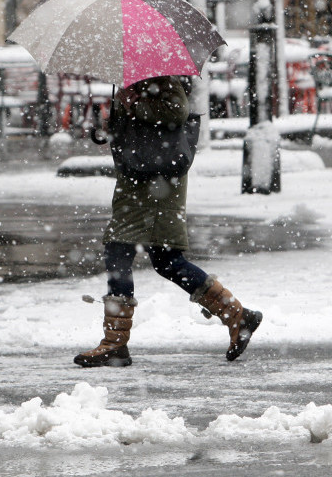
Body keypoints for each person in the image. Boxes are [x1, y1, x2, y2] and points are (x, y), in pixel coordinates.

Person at [74, 76, 262, 368]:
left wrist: (135, 104)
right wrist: (112, 128)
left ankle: (115, 344)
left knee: (122, 252)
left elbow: (176, 112)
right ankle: (237, 315)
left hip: (156, 185)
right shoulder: (134, 79)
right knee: (165, 260)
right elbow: (140, 126)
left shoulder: (162, 78)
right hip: (138, 182)